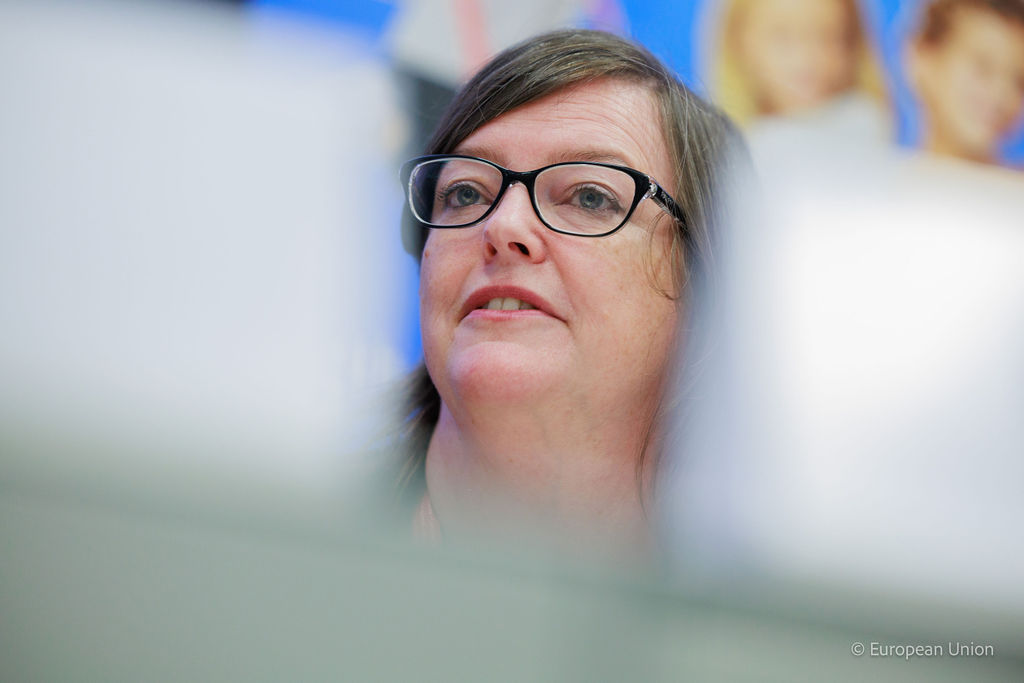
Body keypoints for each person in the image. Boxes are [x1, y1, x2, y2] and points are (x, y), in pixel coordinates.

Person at [394, 29, 740, 563]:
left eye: (590, 197)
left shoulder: (790, 597)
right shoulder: (282, 531)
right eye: (466, 193)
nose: (503, 225)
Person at [712, 0, 888, 141]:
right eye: (782, 37)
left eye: (829, 37)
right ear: (738, 43)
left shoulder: (867, 128)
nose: (807, 60)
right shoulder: (727, 149)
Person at [906, 0, 1024, 166]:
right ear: (923, 56)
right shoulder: (880, 175)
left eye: (1019, 81)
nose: (1002, 93)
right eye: (983, 68)